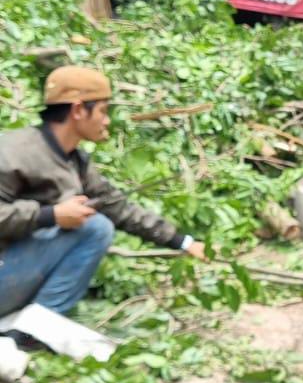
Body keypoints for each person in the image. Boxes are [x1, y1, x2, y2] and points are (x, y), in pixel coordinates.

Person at [0, 67, 208, 328]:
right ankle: (35, 330)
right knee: (96, 228)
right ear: (77, 111)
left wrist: (183, 242)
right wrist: (50, 215)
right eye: (102, 110)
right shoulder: (14, 152)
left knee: (98, 221)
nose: (107, 120)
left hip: (14, 269)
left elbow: (117, 207)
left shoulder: (76, 161)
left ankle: (30, 327)